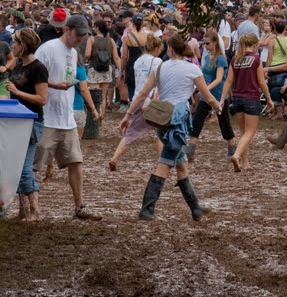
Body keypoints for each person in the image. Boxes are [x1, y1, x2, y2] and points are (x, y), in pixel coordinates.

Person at [125, 34, 219, 220]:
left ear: (170, 49)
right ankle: (147, 208)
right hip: (179, 121)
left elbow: (144, 92)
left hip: (161, 119)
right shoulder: (192, 69)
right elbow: (207, 96)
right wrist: (218, 106)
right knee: (165, 164)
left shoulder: (160, 67)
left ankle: (195, 208)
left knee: (181, 165)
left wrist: (128, 115)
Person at [33, 15, 102, 220]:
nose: (80, 38)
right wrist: (54, 87)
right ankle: (32, 207)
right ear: (67, 29)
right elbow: (35, 76)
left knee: (76, 162)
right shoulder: (47, 49)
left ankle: (80, 206)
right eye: (78, 34)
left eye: (84, 35)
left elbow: (70, 82)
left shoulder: (74, 53)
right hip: (47, 118)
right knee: (36, 165)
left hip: (67, 117)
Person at [5, 28, 47, 221]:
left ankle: (35, 209)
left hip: (31, 122)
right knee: (16, 166)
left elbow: (42, 98)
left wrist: (17, 92)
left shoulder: (38, 68)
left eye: (15, 42)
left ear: (23, 46)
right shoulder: (18, 65)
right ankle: (23, 209)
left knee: (24, 168)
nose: (12, 45)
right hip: (16, 120)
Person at [218, 33, 273, 172]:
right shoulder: (256, 59)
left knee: (243, 132)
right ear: (254, 44)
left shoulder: (235, 59)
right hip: (251, 98)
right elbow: (261, 81)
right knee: (249, 132)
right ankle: (236, 156)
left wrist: (222, 98)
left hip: (237, 98)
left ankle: (245, 163)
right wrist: (269, 98)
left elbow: (229, 80)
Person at [108, 35, 164, 171]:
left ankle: (114, 158)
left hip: (137, 98)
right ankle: (162, 162)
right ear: (156, 48)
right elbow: (159, 81)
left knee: (130, 133)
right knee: (160, 133)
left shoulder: (138, 61)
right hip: (152, 99)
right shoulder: (157, 61)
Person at [189, 26, 237, 158]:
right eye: (204, 43)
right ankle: (191, 146)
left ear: (215, 43)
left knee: (224, 122)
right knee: (197, 119)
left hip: (219, 95)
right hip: (207, 94)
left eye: (208, 43)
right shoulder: (207, 58)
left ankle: (232, 145)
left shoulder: (221, 58)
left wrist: (205, 89)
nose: (205, 46)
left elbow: (219, 79)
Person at [85, 20, 119, 117]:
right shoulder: (111, 40)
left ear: (97, 27)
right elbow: (116, 57)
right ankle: (102, 115)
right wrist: (120, 70)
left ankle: (95, 115)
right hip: (107, 69)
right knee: (103, 95)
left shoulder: (91, 39)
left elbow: (87, 54)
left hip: (94, 68)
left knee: (95, 95)